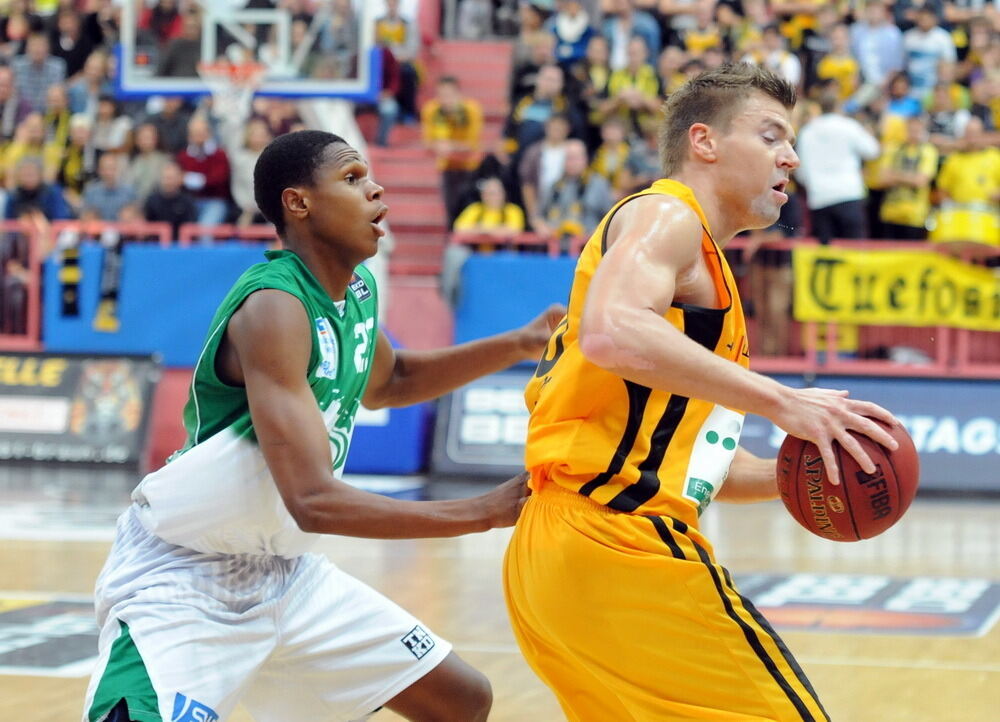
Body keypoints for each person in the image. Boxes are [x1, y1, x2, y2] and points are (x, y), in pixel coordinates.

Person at [82, 129, 563, 722]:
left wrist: (520, 342)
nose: (376, 188)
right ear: (298, 203)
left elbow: (394, 381)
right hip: (187, 575)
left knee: (461, 701)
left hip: (287, 574)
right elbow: (313, 501)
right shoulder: (274, 308)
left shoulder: (354, 290)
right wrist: (481, 513)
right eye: (353, 178)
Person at [503, 63, 901, 722]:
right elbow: (609, 331)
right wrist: (783, 401)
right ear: (705, 143)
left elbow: (691, 464)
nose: (791, 156)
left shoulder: (703, 266)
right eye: (771, 135)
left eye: (791, 141)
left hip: (558, 553)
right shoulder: (668, 215)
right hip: (618, 542)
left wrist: (806, 469)